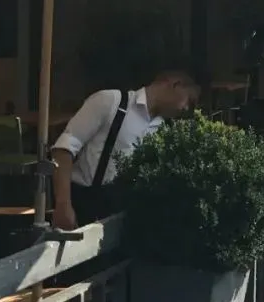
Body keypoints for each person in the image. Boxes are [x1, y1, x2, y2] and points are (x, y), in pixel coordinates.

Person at [50, 69, 200, 230]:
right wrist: (63, 205)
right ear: (175, 85)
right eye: (189, 101)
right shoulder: (110, 101)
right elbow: (64, 150)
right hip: (86, 207)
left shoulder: (164, 129)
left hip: (128, 216)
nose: (186, 109)